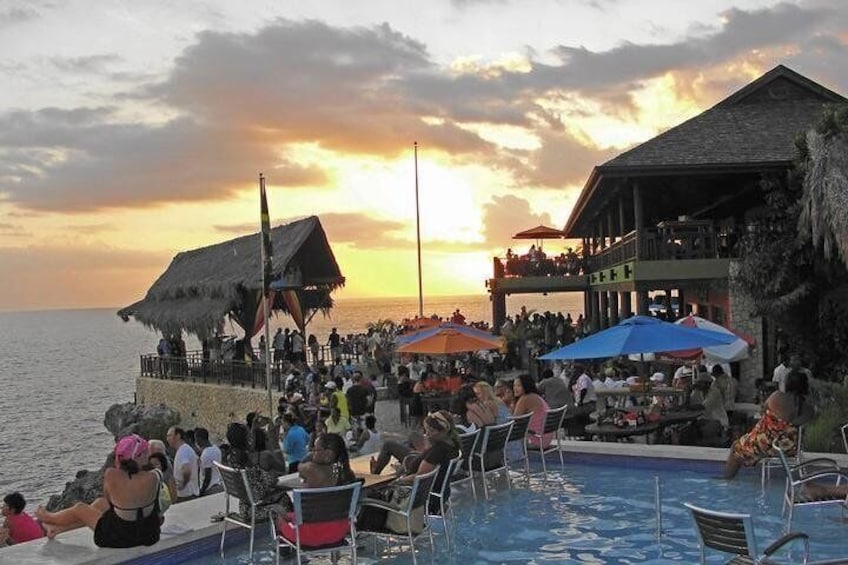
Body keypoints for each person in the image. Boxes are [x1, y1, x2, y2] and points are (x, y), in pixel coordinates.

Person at [35, 435, 162, 547]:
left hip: (120, 538)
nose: (148, 455)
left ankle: (48, 517)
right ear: (137, 457)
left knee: (80, 508)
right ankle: (59, 529)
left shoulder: (111, 474)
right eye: (145, 452)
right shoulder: (153, 476)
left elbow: (111, 500)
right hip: (148, 534)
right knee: (100, 504)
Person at [360, 411, 461, 530]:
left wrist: (396, 481)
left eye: (428, 430)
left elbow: (418, 478)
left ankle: (362, 528)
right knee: (407, 442)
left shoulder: (437, 452)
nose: (425, 433)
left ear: (436, 431)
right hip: (438, 492)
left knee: (370, 493)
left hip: (420, 500)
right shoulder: (451, 445)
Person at [723, 370, 815, 479]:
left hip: (768, 445)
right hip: (790, 449)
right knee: (752, 442)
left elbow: (763, 411)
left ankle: (726, 480)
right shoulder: (809, 409)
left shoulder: (777, 396)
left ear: (787, 384)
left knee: (736, 447)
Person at [513, 374, 552, 448]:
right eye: (514, 385)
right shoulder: (536, 396)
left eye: (518, 386)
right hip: (545, 438)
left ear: (526, 385)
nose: (515, 388)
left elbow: (514, 421)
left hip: (535, 439)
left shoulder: (525, 399)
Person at [166, 426, 200, 502]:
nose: (167, 438)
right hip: (188, 494)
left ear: (178, 436)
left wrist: (183, 485)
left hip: (186, 495)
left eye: (170, 435)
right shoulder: (184, 449)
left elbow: (187, 470)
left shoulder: (183, 451)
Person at [195, 428, 223, 496]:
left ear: (200, 438)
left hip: (210, 489)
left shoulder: (206, 454)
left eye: (196, 439)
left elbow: (207, 477)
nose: (196, 442)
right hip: (220, 485)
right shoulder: (216, 449)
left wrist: (202, 491)